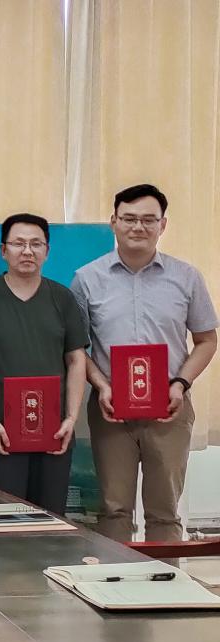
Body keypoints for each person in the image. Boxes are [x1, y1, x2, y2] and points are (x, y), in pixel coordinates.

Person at [71, 184, 218, 542]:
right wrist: (102, 386)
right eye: (130, 218)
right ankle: (114, 575)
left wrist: (180, 384)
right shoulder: (87, 279)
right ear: (114, 222)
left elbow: (207, 340)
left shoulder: (186, 277)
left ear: (163, 225)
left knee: (164, 511)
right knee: (113, 508)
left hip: (170, 407)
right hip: (110, 410)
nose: (139, 227)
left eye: (149, 220)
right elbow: (75, 349)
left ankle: (166, 576)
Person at [0, 213, 87, 514]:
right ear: (4, 250)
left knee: (51, 517)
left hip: (54, 430)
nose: (27, 251)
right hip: (0, 431)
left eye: (36, 244)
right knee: (4, 516)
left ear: (47, 251)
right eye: (18, 243)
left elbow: (76, 360)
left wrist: (71, 418)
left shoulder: (62, 298)